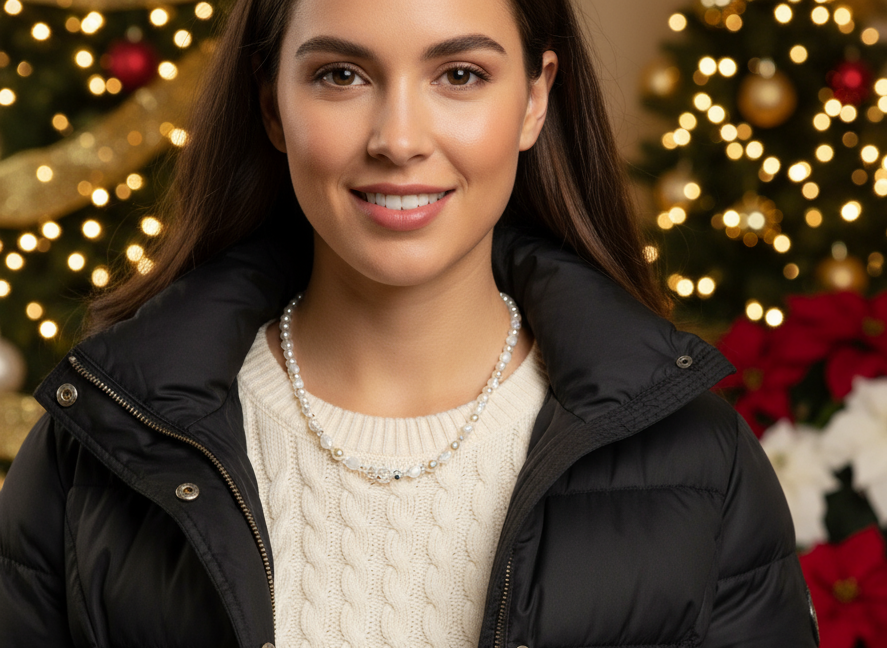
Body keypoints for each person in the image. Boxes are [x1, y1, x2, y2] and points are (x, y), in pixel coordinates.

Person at [0, 0, 820, 646]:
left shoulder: (696, 457)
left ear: (535, 99)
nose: (398, 140)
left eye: (459, 74)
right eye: (340, 76)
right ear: (272, 105)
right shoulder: (97, 448)